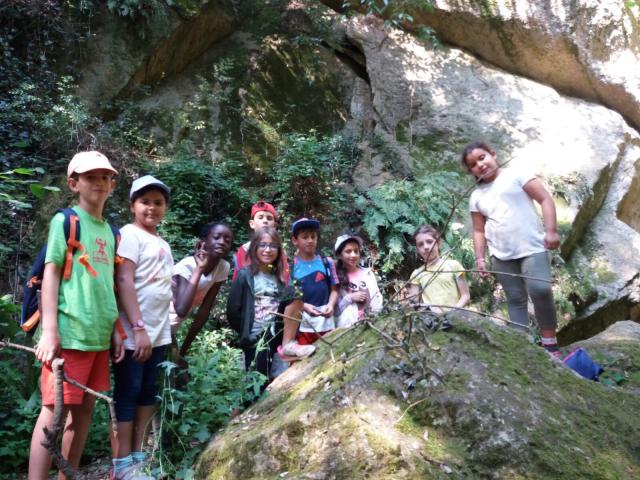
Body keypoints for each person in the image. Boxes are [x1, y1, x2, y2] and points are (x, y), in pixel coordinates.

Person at [29, 151, 120, 479]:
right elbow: (51, 274)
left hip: (98, 337)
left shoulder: (111, 231)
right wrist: (50, 331)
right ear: (73, 184)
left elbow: (108, 285)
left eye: (105, 177)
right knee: (53, 413)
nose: (99, 182)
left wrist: (116, 330)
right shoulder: (66, 221)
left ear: (112, 185)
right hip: (69, 334)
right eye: (90, 177)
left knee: (83, 414)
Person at [461, 140, 561, 356]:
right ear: (471, 171)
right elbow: (478, 230)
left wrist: (551, 230)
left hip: (532, 247)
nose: (480, 165)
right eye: (473, 164)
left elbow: (545, 199)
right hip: (501, 255)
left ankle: (550, 344)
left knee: (540, 290)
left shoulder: (517, 175)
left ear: (493, 154)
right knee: (515, 299)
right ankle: (522, 348)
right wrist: (480, 258)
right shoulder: (476, 196)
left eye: (482, 157)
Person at [110, 175, 174, 480]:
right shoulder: (129, 235)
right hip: (134, 332)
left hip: (158, 331)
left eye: (158, 202)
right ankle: (121, 462)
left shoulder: (162, 242)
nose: (151, 207)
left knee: (149, 391)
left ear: (165, 208)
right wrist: (137, 328)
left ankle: (138, 456)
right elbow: (124, 279)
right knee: (129, 390)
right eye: (144, 201)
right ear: (132, 205)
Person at [226, 227, 301, 382]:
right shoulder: (245, 275)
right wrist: (247, 332)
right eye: (262, 245)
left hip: (276, 333)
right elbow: (233, 312)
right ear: (254, 248)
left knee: (295, 292)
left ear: (278, 250)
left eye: (273, 246)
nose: (268, 250)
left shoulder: (278, 278)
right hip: (256, 337)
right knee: (257, 383)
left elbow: (287, 306)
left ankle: (288, 345)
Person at [170, 222, 233, 358]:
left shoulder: (223, 267)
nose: (222, 242)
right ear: (202, 243)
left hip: (171, 330)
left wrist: (183, 352)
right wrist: (199, 270)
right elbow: (181, 310)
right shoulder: (187, 266)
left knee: (177, 367)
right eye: (216, 237)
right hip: (154, 326)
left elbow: (204, 311)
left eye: (227, 241)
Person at [285, 218, 339, 347]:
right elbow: (290, 298)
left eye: (313, 237)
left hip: (326, 323)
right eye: (305, 237)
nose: (310, 240)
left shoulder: (327, 262)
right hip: (302, 325)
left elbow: (335, 289)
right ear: (295, 241)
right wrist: (304, 306)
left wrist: (331, 305)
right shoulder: (291, 267)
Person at [405, 225, 470, 312]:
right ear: (417, 249)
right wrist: (409, 302)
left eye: (429, 241)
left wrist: (453, 312)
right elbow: (416, 302)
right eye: (420, 244)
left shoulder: (453, 266)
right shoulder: (417, 274)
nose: (426, 247)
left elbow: (465, 296)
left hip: (456, 316)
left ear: (438, 243)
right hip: (433, 318)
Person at [231, 201, 290, 283]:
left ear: (274, 226)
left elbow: (285, 277)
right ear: (252, 224)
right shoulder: (244, 250)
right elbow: (237, 281)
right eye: (260, 217)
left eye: (269, 218)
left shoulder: (278, 250)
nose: (265, 221)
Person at [333, 234, 383, 327]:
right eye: (348, 251)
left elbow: (378, 298)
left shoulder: (368, 274)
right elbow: (335, 312)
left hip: (371, 325)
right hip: (348, 329)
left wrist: (376, 318)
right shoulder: (336, 278)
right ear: (339, 255)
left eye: (356, 251)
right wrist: (349, 298)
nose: (353, 255)